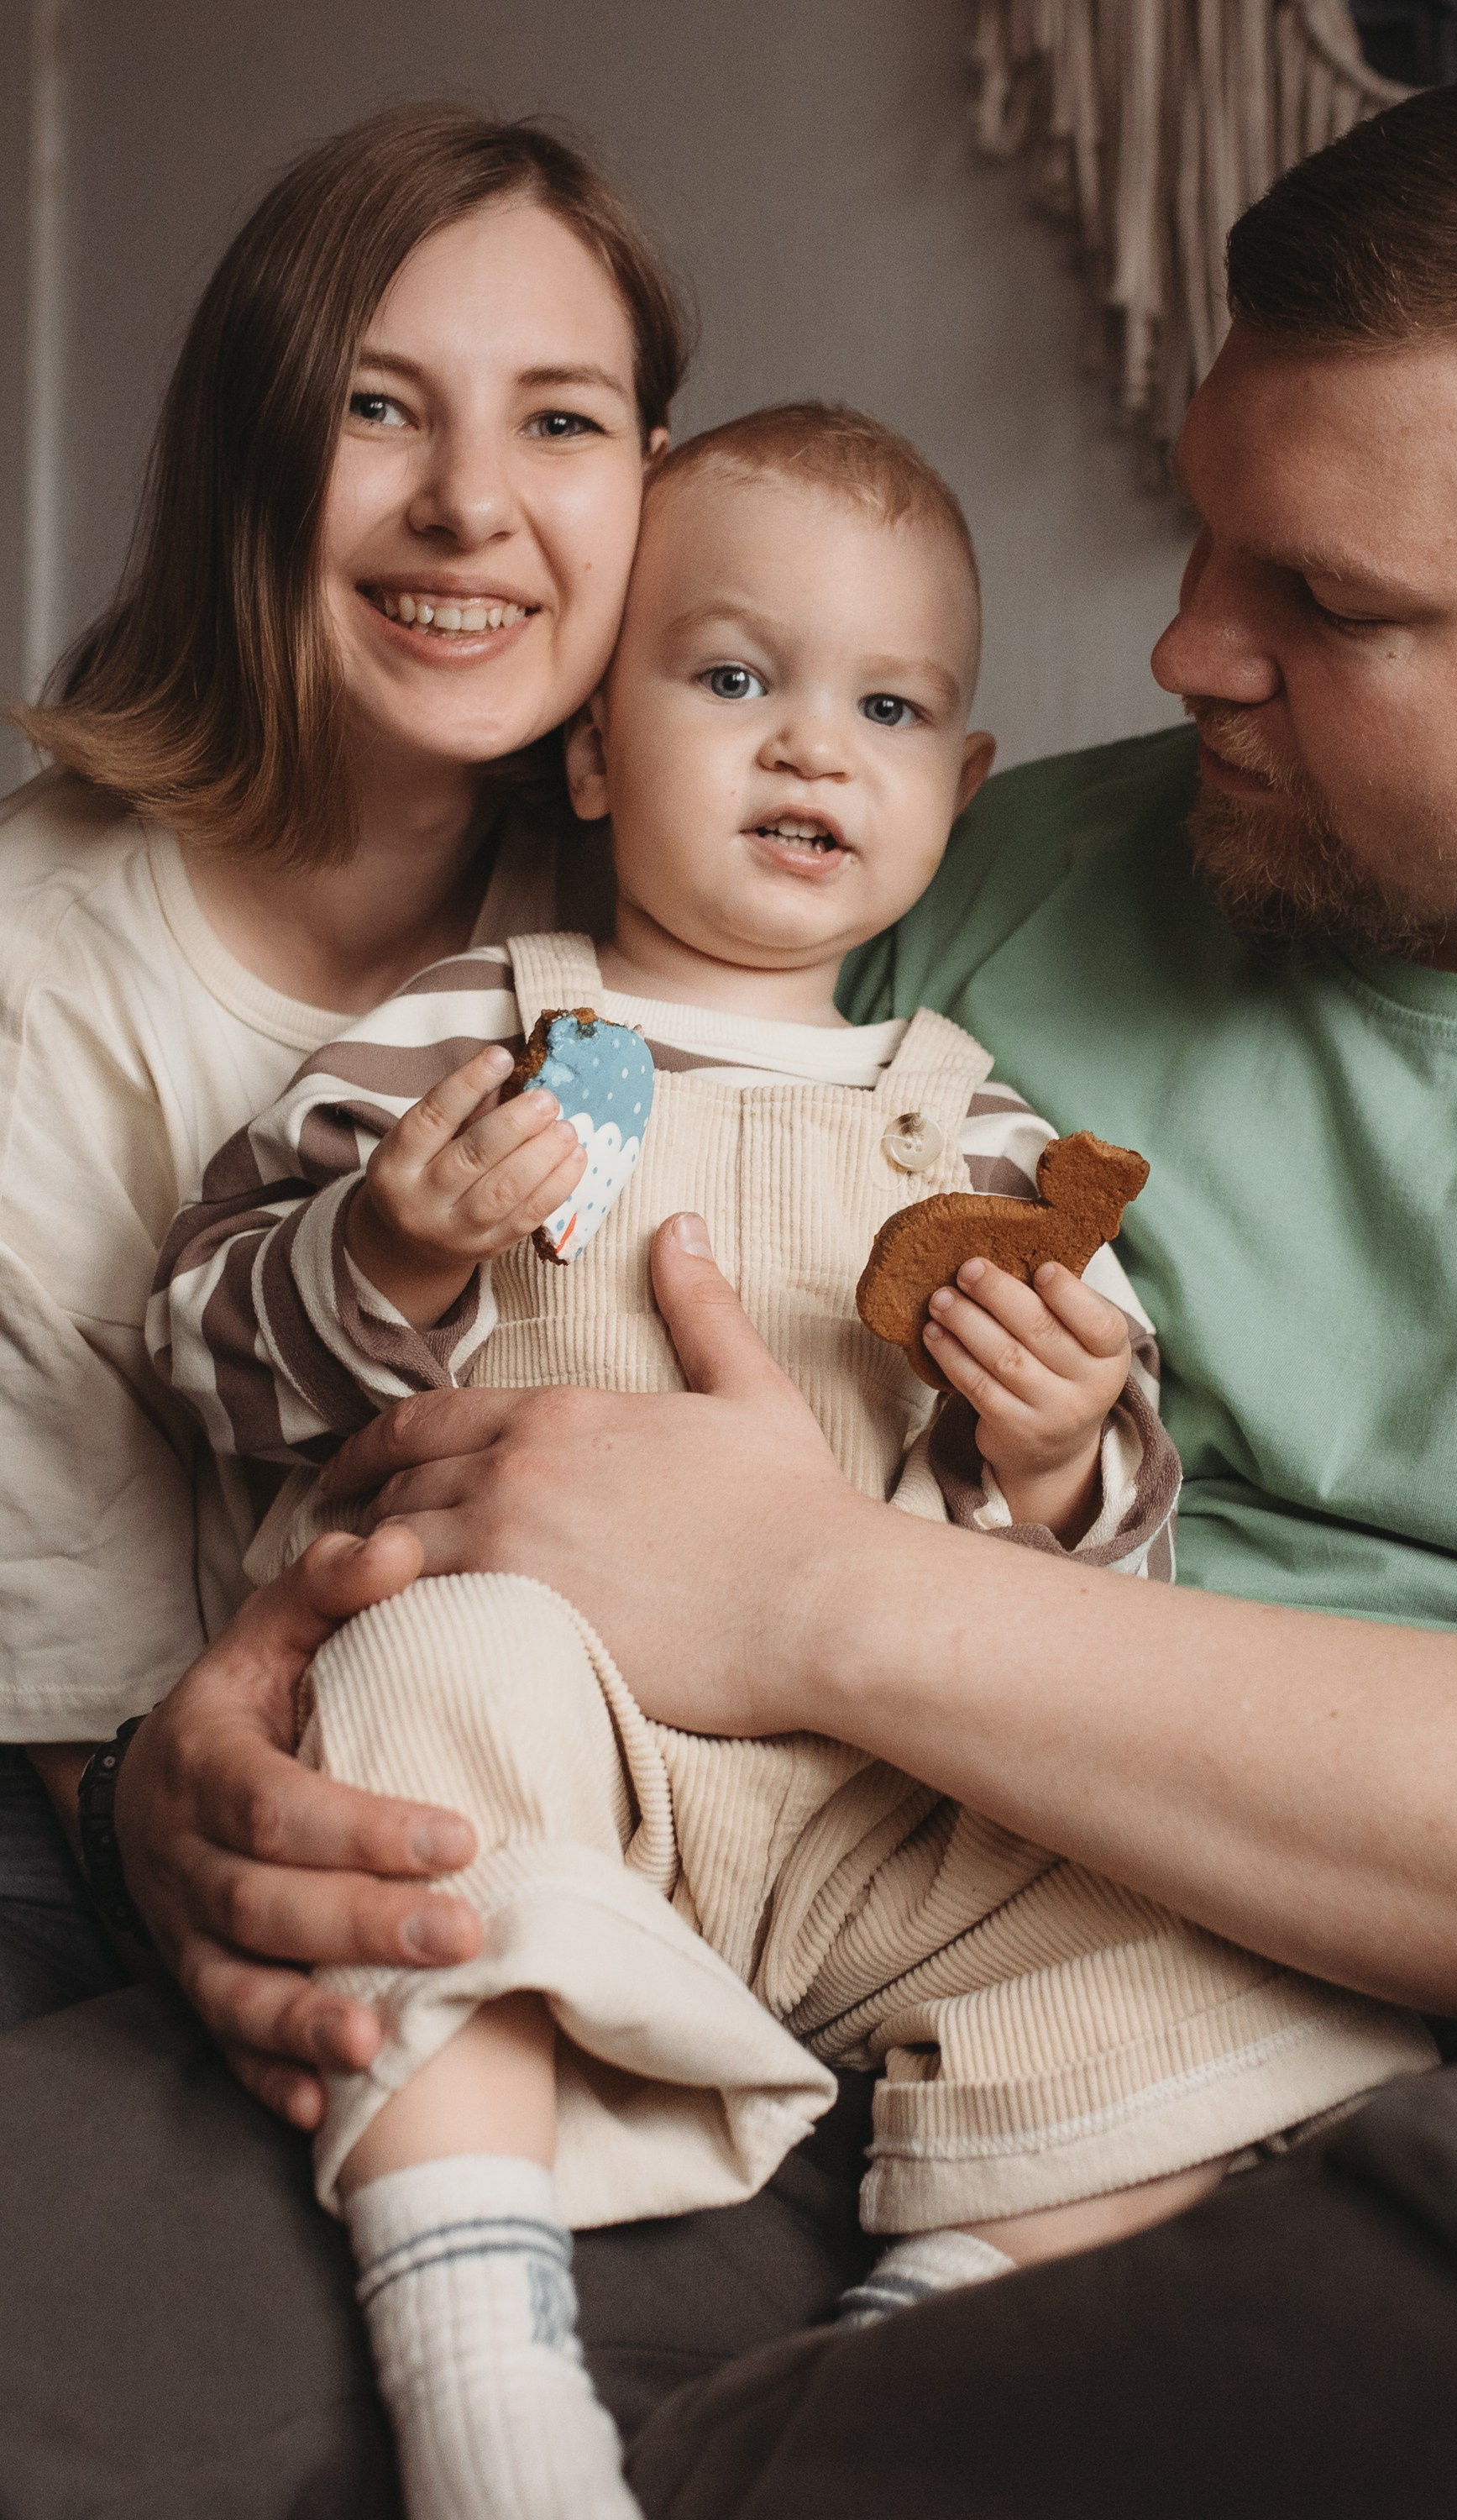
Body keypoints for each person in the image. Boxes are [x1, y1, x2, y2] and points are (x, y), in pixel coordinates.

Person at [10, 45, 1457, 2520]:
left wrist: (821, 1599)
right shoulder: (961, 888)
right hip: (665, 1876)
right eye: (1208, 541)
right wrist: (177, 1769)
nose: (1183, 651)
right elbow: (380, 1215)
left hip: (1300, 2025)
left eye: (1325, 604)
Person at [153, 402, 1428, 2520]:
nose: (810, 749)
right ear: (587, 748)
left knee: (1237, 1932)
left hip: (880, 1809)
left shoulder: (980, 1128)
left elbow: (1110, 1550)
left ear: (961, 783)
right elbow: (200, 1354)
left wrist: (1048, 1456)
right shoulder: (466, 1038)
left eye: (889, 705)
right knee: (420, 1691)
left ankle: (902, 2350)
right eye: (733, 678)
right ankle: (487, 2384)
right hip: (569, 1765)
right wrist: (379, 1245)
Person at [0, 101, 684, 2032]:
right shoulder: (39, 972)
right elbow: (107, 1740)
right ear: (248, 458)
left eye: (557, 421)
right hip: (119, 1771)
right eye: (381, 409)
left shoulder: (683, 895)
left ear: (654, 480)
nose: (472, 505)